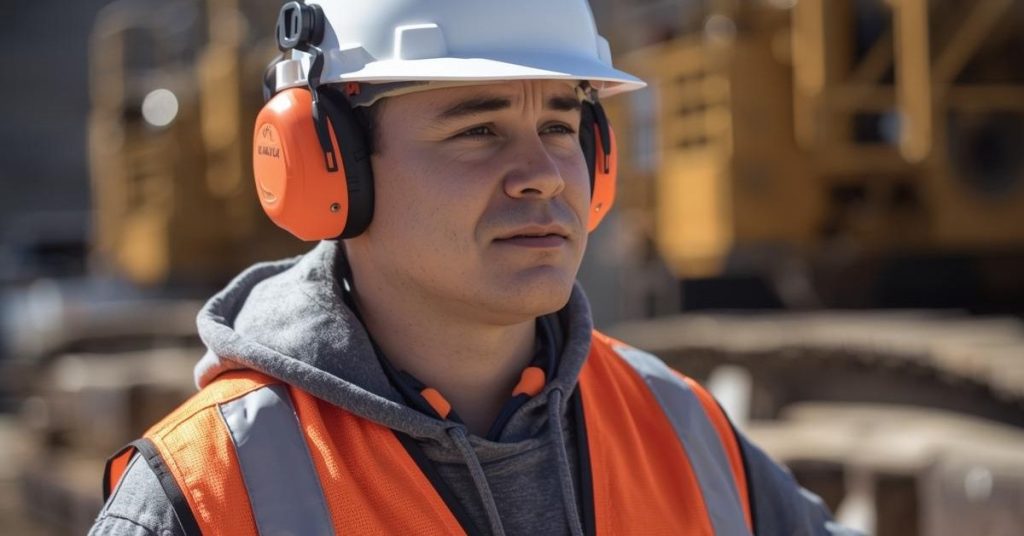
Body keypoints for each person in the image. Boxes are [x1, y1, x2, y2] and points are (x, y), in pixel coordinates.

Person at [90, 1, 857, 535]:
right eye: (479, 129)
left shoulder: (678, 425)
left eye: (559, 124)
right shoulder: (208, 488)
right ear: (328, 170)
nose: (544, 174)